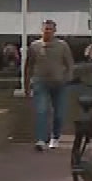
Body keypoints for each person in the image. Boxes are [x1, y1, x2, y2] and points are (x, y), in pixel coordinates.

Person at [26, 18, 75, 151]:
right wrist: (26, 85)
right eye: (45, 29)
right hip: (40, 82)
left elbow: (69, 64)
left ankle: (55, 137)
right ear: (41, 30)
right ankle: (41, 139)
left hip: (59, 83)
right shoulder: (35, 46)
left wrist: (68, 78)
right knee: (42, 111)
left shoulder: (62, 45)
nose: (47, 32)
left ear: (54, 31)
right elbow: (28, 66)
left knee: (59, 113)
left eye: (50, 29)